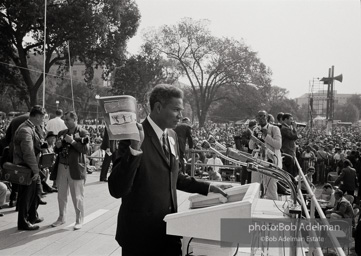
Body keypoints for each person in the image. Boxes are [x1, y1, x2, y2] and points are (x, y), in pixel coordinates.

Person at [108, 84, 227, 256]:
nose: (181, 115)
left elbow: (175, 177)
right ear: (158, 107)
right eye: (176, 109)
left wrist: (208, 187)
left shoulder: (171, 135)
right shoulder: (133, 136)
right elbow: (117, 188)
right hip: (140, 236)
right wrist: (135, 149)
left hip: (168, 230)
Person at [51, 111, 90, 230]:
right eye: (65, 119)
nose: (65, 122)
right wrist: (57, 146)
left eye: (68, 119)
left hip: (76, 168)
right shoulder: (62, 133)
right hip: (62, 166)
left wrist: (72, 141)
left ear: (75, 119)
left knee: (77, 196)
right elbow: (56, 150)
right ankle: (61, 217)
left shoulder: (83, 132)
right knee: (61, 195)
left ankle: (79, 219)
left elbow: (86, 150)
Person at [13, 106, 46, 230]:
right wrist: (35, 170)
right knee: (25, 196)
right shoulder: (26, 130)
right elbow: (28, 152)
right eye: (42, 117)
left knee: (35, 193)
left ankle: (32, 216)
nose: (43, 120)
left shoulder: (31, 128)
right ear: (37, 117)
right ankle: (23, 221)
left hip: (30, 166)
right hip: (26, 167)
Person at [249, 110, 282, 200]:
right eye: (258, 116)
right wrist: (253, 137)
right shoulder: (256, 129)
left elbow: (278, 145)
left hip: (269, 160)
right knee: (254, 185)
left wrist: (266, 136)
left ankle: (272, 205)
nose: (261, 118)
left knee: (270, 186)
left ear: (266, 117)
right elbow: (251, 147)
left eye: (263, 116)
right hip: (257, 160)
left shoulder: (274, 129)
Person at [280, 113, 298, 177]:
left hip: (290, 151)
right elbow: (294, 136)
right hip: (287, 151)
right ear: (285, 119)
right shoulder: (284, 129)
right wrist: (295, 128)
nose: (292, 121)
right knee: (290, 171)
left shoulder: (287, 128)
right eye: (290, 119)